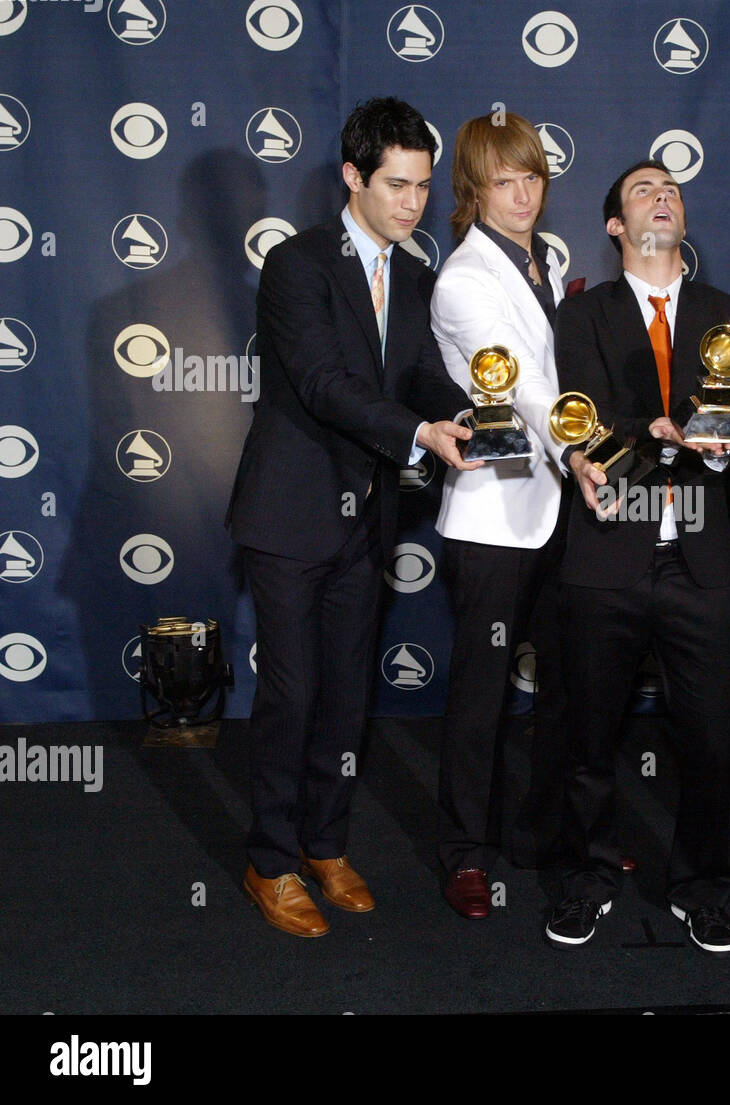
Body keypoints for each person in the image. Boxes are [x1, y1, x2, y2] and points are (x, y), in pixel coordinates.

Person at [227, 97, 476, 937]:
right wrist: (418, 432)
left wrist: (470, 414)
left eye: (422, 188)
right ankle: (270, 861)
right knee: (292, 696)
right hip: (290, 516)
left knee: (345, 699)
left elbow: (423, 376)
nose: (412, 204)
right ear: (352, 177)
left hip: (366, 518)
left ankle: (326, 845)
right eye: (396, 185)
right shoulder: (298, 264)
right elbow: (325, 384)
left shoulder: (414, 273)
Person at [544, 160, 730, 955]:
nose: (662, 194)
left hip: (701, 557)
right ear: (613, 226)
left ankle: (702, 886)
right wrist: (657, 431)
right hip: (607, 552)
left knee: (711, 737)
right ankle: (588, 878)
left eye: (671, 187)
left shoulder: (727, 316)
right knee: (588, 737)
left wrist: (725, 446)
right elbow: (586, 416)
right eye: (642, 189)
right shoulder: (582, 316)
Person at [429, 111, 571, 917]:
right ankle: (463, 854)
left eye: (532, 177)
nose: (522, 194)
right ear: (472, 191)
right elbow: (521, 388)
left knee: (568, 684)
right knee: (481, 694)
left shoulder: (547, 260)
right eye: (504, 181)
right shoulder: (462, 279)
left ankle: (547, 830)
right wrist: (588, 448)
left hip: (558, 515)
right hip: (494, 519)